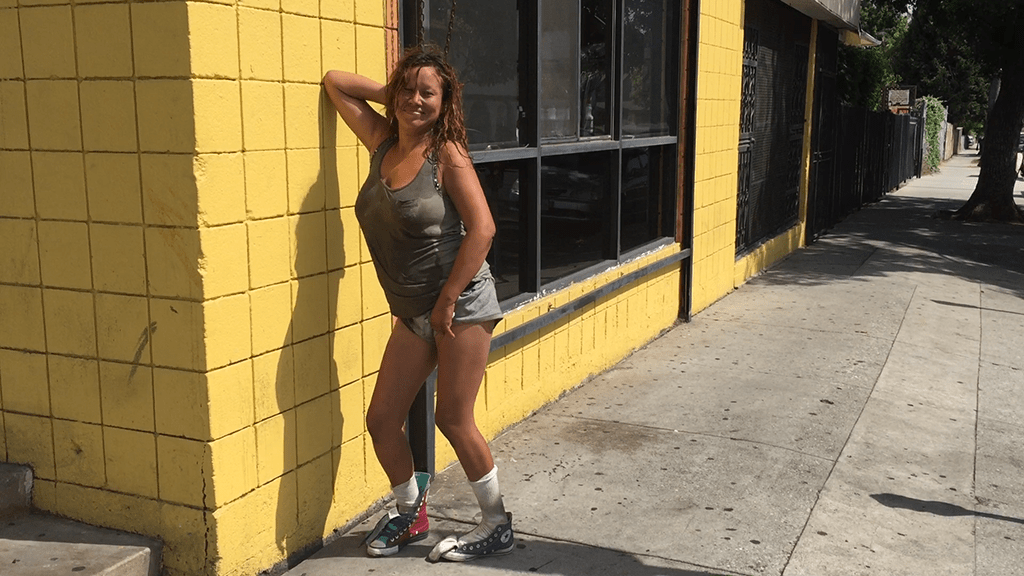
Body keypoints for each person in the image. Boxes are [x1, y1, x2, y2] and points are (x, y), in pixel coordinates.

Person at [322, 45, 513, 562]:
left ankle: (497, 524)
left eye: (428, 93)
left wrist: (447, 299)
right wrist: (394, 94)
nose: (415, 100)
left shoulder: (446, 155)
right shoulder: (382, 141)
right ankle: (411, 512)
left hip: (460, 304)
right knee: (383, 419)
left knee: (452, 417)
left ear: (445, 101)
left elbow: (483, 229)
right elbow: (335, 81)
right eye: (407, 90)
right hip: (414, 312)